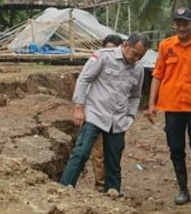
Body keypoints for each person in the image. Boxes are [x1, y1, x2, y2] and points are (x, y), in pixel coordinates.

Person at [59, 34, 150, 196]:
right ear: (125, 45)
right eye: (134, 53)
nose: (136, 58)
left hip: (118, 120)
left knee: (113, 159)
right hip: (95, 113)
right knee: (81, 152)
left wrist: (130, 116)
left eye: (140, 56)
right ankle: (64, 188)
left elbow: (135, 96)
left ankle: (112, 192)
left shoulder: (138, 69)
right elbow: (84, 79)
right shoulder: (103, 56)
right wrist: (79, 107)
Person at [146, 7, 191, 205]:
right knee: (176, 148)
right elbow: (157, 75)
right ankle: (182, 189)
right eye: (178, 23)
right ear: (174, 25)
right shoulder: (165, 46)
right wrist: (151, 104)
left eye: (185, 23)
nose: (181, 27)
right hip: (173, 108)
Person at [89, 34, 124, 190]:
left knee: (113, 152)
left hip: (116, 117)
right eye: (106, 49)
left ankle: (112, 186)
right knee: (97, 152)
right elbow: (86, 82)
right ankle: (100, 184)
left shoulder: (129, 67)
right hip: (97, 113)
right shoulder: (97, 62)